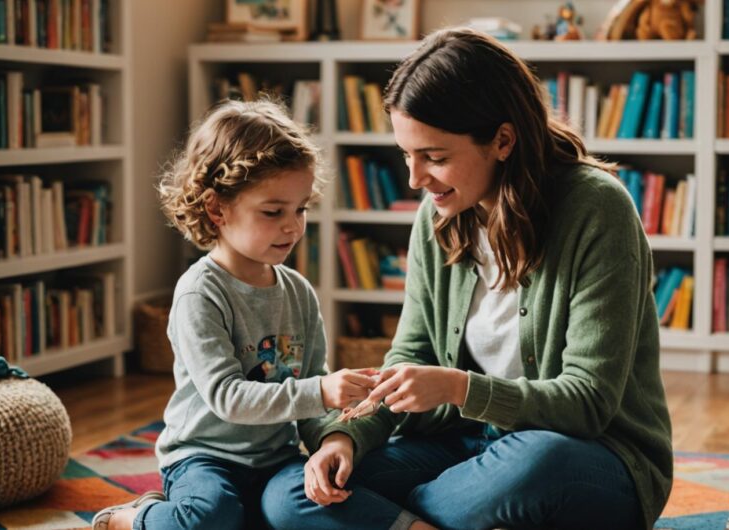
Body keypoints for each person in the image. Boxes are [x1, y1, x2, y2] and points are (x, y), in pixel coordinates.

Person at [263, 27, 673, 530]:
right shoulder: (436, 215)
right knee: (289, 493)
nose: (415, 179)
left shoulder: (597, 209)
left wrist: (459, 388)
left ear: (503, 140)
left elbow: (587, 402)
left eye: (434, 158)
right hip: (463, 449)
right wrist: (343, 440)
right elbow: (409, 358)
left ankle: (394, 519)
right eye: (407, 156)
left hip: (585, 456)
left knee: (536, 464)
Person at [91, 98, 377, 530]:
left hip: (275, 458)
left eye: (300, 209)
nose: (293, 226)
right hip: (203, 458)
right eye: (273, 211)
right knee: (209, 517)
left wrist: (333, 439)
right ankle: (130, 519)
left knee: (319, 500)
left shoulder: (298, 292)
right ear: (216, 208)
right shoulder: (199, 293)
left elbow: (310, 403)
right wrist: (322, 390)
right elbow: (227, 397)